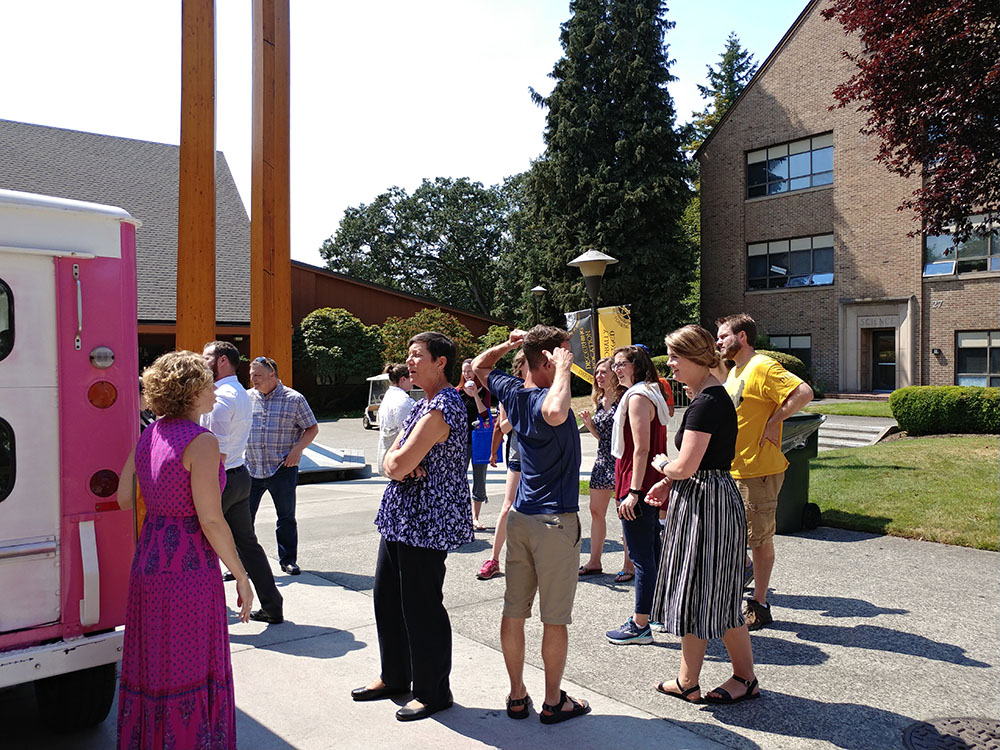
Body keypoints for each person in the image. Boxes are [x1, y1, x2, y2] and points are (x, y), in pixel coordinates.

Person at [116, 351, 253, 749]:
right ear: (191, 392)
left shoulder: (150, 433)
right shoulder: (201, 441)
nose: (215, 389)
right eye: (209, 383)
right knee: (190, 666)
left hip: (149, 562)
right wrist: (241, 576)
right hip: (187, 569)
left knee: (154, 667)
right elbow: (211, 520)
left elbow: (125, 497)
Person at [351, 331, 473, 722]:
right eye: (409, 355)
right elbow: (394, 459)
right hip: (402, 517)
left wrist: (397, 463)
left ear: (441, 362)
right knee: (387, 598)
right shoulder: (425, 403)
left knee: (421, 606)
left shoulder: (444, 407)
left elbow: (398, 464)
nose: (410, 362)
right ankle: (395, 676)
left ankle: (433, 691)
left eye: (418, 355)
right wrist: (396, 462)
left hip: (427, 520)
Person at [473, 326, 591, 725]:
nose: (569, 362)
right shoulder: (545, 396)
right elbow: (557, 412)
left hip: (522, 519)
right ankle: (554, 701)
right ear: (549, 360)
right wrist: (561, 369)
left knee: (514, 611)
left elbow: (478, 365)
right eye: (564, 355)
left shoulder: (513, 392)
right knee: (553, 619)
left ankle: (517, 695)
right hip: (555, 522)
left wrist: (507, 346)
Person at [646, 324, 759, 705]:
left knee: (709, 593)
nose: (670, 364)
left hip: (706, 505)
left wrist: (664, 467)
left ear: (696, 358)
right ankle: (689, 680)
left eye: (676, 357)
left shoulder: (707, 402)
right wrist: (671, 482)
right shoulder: (711, 397)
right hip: (707, 499)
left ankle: (742, 678)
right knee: (705, 594)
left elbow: (686, 466)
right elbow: (700, 464)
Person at [715, 314, 814, 630]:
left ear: (741, 336)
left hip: (759, 470)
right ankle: (742, 586)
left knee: (759, 540)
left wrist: (774, 422)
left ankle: (759, 604)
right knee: (738, 538)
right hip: (736, 469)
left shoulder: (763, 366)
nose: (718, 342)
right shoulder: (735, 372)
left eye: (722, 336)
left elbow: (804, 393)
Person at [202, 341, 284, 625]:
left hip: (221, 477)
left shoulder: (221, 398)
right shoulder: (238, 392)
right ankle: (272, 604)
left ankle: (207, 610)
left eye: (207, 357)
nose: (203, 362)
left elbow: (216, 451)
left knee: (203, 544)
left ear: (222, 360)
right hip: (239, 475)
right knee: (248, 544)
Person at [604, 346, 670, 645]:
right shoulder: (648, 392)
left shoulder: (639, 397)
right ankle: (657, 613)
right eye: (614, 365)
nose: (617, 369)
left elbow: (642, 447)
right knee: (652, 552)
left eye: (622, 364)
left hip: (638, 483)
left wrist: (632, 492)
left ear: (637, 365)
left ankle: (640, 624)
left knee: (642, 557)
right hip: (644, 481)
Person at [246, 356, 319, 576]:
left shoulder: (294, 399)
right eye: (251, 375)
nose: (253, 380)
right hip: (251, 467)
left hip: (282, 468)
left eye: (258, 375)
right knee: (244, 520)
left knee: (286, 517)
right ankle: (242, 564)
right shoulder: (246, 398)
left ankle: (288, 560)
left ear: (272, 375)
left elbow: (311, 428)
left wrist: (298, 450)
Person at [476, 350, 527, 580]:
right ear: (521, 367)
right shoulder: (510, 392)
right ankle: (494, 559)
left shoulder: (548, 388)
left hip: (542, 459)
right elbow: (503, 427)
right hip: (518, 456)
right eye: (530, 362)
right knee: (508, 507)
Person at [577, 357, 627, 578]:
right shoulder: (599, 399)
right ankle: (595, 561)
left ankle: (629, 564)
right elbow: (601, 437)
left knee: (624, 513)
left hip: (621, 459)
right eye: (597, 372)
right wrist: (590, 425)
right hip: (602, 458)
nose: (599, 376)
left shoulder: (625, 397)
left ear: (614, 374)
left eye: (604, 372)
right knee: (596, 511)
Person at [458, 358, 491, 530]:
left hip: (480, 441)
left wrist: (476, 395)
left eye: (470, 371)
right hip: (462, 443)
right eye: (464, 371)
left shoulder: (484, 391)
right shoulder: (457, 392)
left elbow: (485, 417)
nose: (467, 374)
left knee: (480, 479)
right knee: (459, 478)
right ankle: (461, 516)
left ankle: (475, 517)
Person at [376, 362, 416, 477]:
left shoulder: (389, 396)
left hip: (389, 455)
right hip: (399, 458)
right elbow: (407, 434)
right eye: (410, 378)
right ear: (403, 379)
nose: (413, 381)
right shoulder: (403, 401)